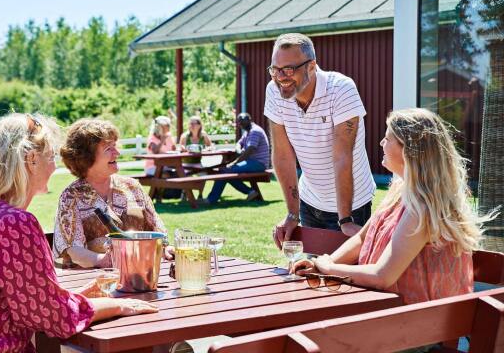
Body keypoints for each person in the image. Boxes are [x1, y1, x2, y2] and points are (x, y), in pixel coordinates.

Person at [0, 113, 157, 353]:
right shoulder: (12, 223)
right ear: (31, 160)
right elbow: (55, 319)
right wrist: (118, 305)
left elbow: (27, 304)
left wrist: (70, 297)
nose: (54, 166)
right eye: (50, 156)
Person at [294, 108, 493, 304]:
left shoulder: (423, 208)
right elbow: (362, 239)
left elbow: (382, 277)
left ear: (410, 150)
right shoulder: (401, 191)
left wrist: (329, 268)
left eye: (388, 139)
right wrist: (320, 265)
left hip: (414, 324)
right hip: (390, 312)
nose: (381, 143)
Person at [267, 33, 376, 245]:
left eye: (288, 69)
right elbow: (282, 156)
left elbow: (342, 157)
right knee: (311, 271)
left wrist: (345, 219)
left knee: (349, 276)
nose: (281, 77)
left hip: (353, 206)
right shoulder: (274, 91)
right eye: (275, 70)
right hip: (310, 201)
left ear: (311, 66)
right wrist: (292, 214)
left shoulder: (341, 89)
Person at [54, 118, 174, 268]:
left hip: (140, 276)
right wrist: (105, 261)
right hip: (94, 282)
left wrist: (165, 248)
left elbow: (156, 229)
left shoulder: (132, 187)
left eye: (115, 146)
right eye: (108, 149)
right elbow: (73, 250)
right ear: (86, 158)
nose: (117, 153)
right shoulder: (71, 196)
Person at [203, 112, 270, 204]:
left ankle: (211, 199)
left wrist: (234, 163)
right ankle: (251, 192)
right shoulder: (247, 132)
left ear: (250, 120)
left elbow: (249, 151)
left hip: (258, 163)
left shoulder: (255, 131)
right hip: (252, 162)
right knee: (225, 171)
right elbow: (239, 143)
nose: (241, 124)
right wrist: (238, 148)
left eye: (243, 121)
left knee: (225, 171)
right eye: (239, 122)